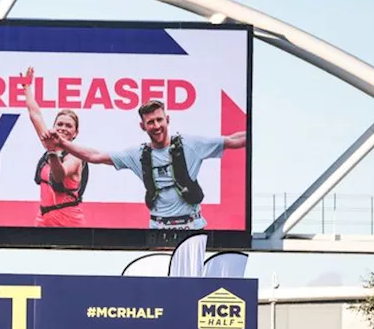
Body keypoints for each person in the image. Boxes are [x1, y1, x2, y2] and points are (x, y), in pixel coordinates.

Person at [44, 96, 246, 230]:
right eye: (151, 122)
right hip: (158, 231)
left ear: (167, 119)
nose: (156, 126)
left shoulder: (190, 144)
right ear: (143, 126)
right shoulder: (139, 155)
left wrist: (258, 132)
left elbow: (233, 140)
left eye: (159, 120)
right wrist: (61, 143)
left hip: (192, 228)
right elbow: (95, 156)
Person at [18, 67, 87, 227]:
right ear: (54, 127)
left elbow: (59, 175)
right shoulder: (50, 144)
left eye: (68, 126)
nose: (63, 128)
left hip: (69, 221)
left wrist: (51, 151)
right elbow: (35, 114)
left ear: (75, 133)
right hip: (43, 218)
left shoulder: (75, 156)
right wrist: (27, 87)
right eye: (60, 124)